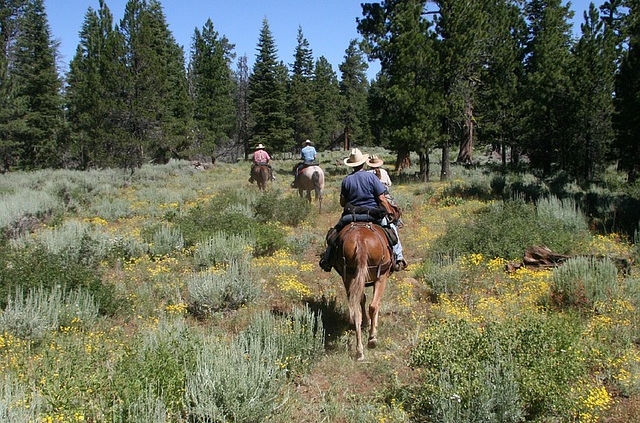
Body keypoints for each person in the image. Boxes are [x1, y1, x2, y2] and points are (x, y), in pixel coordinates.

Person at [319, 148, 406, 272]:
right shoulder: (372, 178)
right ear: (363, 163)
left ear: (351, 165)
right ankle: (399, 258)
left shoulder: (347, 180)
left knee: (336, 233)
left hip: (351, 216)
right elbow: (381, 198)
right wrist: (389, 212)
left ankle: (327, 260)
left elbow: (342, 203)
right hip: (373, 215)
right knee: (392, 229)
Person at [367, 154, 403, 228]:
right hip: (384, 194)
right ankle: (398, 221)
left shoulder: (367, 173)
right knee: (394, 205)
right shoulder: (383, 171)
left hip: (372, 195)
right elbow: (389, 184)